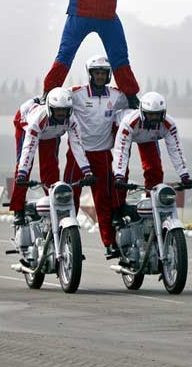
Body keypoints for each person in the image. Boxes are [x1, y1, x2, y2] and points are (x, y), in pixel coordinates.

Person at [64, 54, 128, 257]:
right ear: (90, 74)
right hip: (78, 154)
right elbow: (54, 98)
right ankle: (66, 241)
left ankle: (109, 242)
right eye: (96, 73)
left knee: (104, 200)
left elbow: (134, 103)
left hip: (103, 155)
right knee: (69, 197)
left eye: (103, 73)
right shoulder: (76, 94)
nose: (100, 76)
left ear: (108, 75)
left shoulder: (117, 96)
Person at [9, 88, 94, 226]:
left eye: (64, 110)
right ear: (50, 109)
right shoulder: (38, 120)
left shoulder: (72, 120)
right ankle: (18, 209)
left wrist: (87, 172)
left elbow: (77, 146)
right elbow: (28, 149)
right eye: (58, 110)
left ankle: (54, 205)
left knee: (51, 168)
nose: (61, 114)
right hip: (26, 125)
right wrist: (22, 173)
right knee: (23, 169)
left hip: (51, 132)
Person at [112, 92, 192, 199]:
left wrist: (184, 176)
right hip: (117, 128)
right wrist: (119, 176)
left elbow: (175, 149)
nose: (154, 118)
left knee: (155, 171)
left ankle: (151, 202)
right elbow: (121, 150)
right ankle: (118, 205)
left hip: (147, 137)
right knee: (118, 175)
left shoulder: (169, 124)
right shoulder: (128, 122)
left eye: (158, 114)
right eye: (151, 114)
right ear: (142, 112)